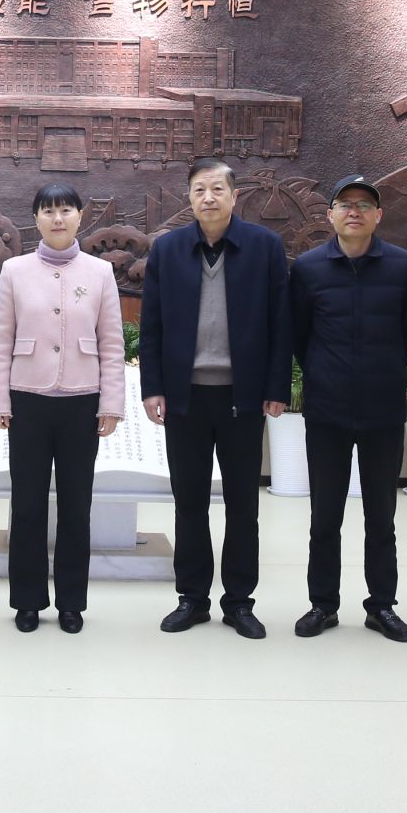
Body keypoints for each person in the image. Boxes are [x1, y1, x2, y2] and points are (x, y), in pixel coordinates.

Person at [138, 157, 292, 639]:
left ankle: (239, 602)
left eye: (217, 189)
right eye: (200, 190)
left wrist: (276, 388)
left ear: (233, 195)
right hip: (184, 397)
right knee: (189, 502)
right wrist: (153, 387)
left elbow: (280, 321)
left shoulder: (264, 247)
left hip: (242, 397)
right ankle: (192, 598)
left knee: (244, 503)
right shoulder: (167, 250)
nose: (208, 197)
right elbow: (151, 324)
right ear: (189, 197)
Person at [289, 175, 407, 643]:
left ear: (378, 216)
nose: (354, 211)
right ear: (329, 214)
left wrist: (380, 370)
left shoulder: (403, 268)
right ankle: (322, 605)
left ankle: (381, 606)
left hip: (382, 411)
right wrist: (324, 372)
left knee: (381, 516)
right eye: (345, 204)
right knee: (324, 516)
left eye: (365, 205)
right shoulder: (308, 269)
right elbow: (300, 336)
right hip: (326, 411)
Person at [0, 183, 126, 634]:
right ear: (36, 219)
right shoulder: (14, 270)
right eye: (48, 211)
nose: (58, 218)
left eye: (66, 210)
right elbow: (0, 340)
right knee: (27, 505)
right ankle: (27, 601)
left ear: (80, 216)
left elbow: (112, 343)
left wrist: (111, 403)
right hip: (27, 399)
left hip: (82, 402)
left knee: (76, 506)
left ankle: (71, 602)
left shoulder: (100, 272)